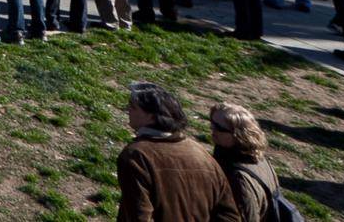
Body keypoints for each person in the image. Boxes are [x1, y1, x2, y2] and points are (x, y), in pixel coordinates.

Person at [116, 82, 241, 222]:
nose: (128, 109)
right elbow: (229, 216)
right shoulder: (202, 154)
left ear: (151, 117)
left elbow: (139, 215)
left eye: (133, 107)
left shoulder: (136, 155)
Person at [209, 103, 281, 222]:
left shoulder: (237, 178)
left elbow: (247, 217)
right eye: (211, 122)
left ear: (237, 135)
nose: (211, 128)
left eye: (218, 127)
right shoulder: (260, 159)